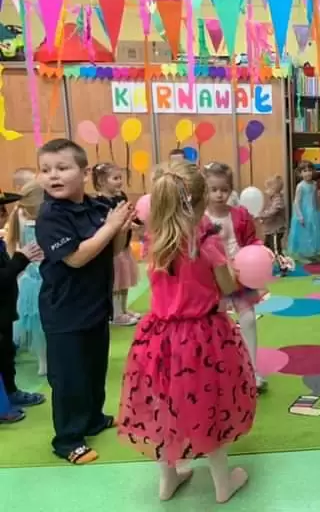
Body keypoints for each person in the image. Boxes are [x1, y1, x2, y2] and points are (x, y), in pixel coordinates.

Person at [118, 161, 256, 503]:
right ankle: (223, 485)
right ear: (201, 200)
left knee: (164, 407)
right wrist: (239, 273)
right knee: (211, 406)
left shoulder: (154, 241)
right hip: (204, 337)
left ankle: (168, 480)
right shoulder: (207, 244)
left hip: (158, 339)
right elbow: (228, 286)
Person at [35, 138, 134, 464]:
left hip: (94, 304)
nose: (53, 175)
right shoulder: (51, 215)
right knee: (69, 378)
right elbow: (76, 258)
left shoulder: (95, 207)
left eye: (62, 168)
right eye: (46, 170)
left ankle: (92, 418)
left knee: (94, 369)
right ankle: (67, 440)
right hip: (64, 312)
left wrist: (121, 226)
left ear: (84, 173)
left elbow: (114, 249)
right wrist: (110, 226)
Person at [203, 162, 267, 391]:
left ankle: (252, 370)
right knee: (215, 325)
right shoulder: (200, 218)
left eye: (224, 189)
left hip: (241, 275)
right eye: (214, 189)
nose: (219, 194)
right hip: (214, 278)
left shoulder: (240, 214)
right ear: (205, 190)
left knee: (248, 319)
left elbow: (252, 240)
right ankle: (216, 372)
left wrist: (260, 252)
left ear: (231, 190)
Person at [0, 189, 45, 424]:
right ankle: (2, 406)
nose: (4, 214)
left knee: (6, 353)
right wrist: (21, 258)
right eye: (0, 211)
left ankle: (11, 392)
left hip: (4, 310)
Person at [6, 181, 48, 375]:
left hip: (30, 278)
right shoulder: (35, 222)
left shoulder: (19, 215)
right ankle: (44, 361)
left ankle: (43, 361)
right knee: (39, 324)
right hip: (38, 279)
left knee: (37, 324)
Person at [92, 163, 140, 326]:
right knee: (116, 283)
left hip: (124, 246)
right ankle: (115, 313)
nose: (120, 181)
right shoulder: (98, 203)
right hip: (112, 247)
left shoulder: (121, 197)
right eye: (115, 178)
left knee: (124, 280)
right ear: (101, 181)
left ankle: (123, 309)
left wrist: (135, 221)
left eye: (120, 178)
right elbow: (105, 223)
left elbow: (129, 214)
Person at [288, 161, 320, 261]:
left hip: (313, 212)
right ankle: (303, 254)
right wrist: (300, 216)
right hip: (303, 212)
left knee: (314, 232)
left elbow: (316, 198)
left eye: (309, 170)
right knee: (304, 233)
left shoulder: (314, 184)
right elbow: (296, 202)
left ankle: (313, 252)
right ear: (300, 173)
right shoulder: (300, 186)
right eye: (305, 171)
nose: (308, 173)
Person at [258, 174, 291, 275]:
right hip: (270, 230)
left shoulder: (278, 200)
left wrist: (261, 215)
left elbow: (273, 211)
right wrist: (263, 218)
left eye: (267, 189)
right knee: (267, 249)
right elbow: (269, 211)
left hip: (275, 230)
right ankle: (267, 266)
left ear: (274, 190)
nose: (265, 191)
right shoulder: (272, 199)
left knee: (276, 251)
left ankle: (284, 267)